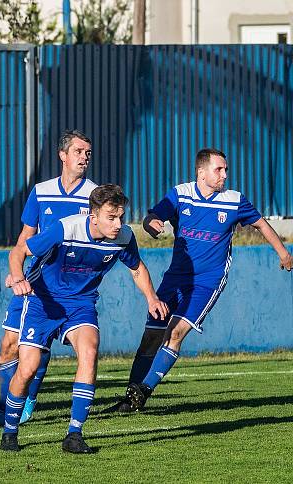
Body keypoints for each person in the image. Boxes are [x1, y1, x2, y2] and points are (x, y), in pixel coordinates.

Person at [107, 148, 293, 413]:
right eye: (219, 169)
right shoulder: (181, 194)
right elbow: (153, 216)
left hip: (207, 282)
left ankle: (142, 393)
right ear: (201, 172)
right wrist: (153, 225)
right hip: (175, 278)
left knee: (175, 333)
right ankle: (129, 397)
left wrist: (284, 252)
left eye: (226, 169)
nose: (225, 175)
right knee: (151, 335)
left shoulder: (234, 200)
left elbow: (261, 223)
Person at [0, 184, 168, 454]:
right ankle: (10, 431)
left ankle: (74, 434)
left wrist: (151, 298)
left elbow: (137, 268)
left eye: (121, 217)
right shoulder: (66, 228)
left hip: (81, 305)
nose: (118, 224)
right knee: (28, 368)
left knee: (89, 351)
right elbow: (18, 252)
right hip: (43, 301)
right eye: (111, 217)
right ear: (93, 215)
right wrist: (18, 277)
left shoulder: (123, 237)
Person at [0, 129, 97, 427]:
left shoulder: (94, 196)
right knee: (8, 345)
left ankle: (27, 399)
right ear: (63, 155)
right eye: (78, 151)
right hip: (35, 283)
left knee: (42, 348)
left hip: (71, 289)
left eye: (87, 153)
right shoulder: (41, 191)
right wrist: (16, 273)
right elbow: (25, 239)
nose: (84, 157)